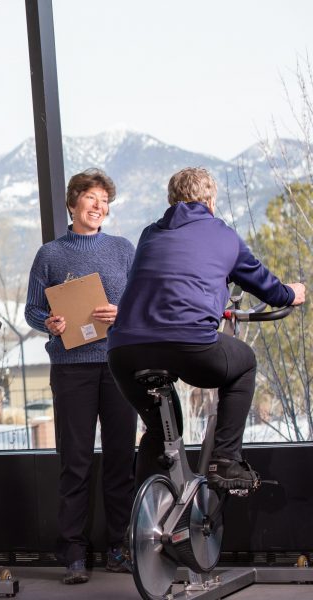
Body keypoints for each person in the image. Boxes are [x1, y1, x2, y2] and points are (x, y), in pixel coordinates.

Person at [108, 167, 306, 490]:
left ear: (171, 201)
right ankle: (225, 461)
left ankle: (145, 513)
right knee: (245, 362)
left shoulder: (149, 234)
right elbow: (265, 286)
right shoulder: (222, 235)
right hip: (188, 343)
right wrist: (290, 293)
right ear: (211, 201)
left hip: (124, 350)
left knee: (160, 430)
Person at [24, 168, 137, 584]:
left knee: (121, 460)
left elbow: (142, 302)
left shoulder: (123, 249)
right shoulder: (50, 254)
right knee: (75, 462)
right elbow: (32, 310)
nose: (99, 206)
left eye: (104, 201)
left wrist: (122, 312)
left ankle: (119, 546)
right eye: (91, 198)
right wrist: (49, 323)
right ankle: (74, 551)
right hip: (71, 369)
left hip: (118, 365)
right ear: (73, 203)